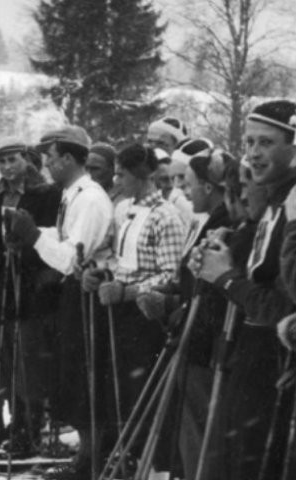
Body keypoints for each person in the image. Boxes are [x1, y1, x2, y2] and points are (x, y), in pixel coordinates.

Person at [190, 100, 296, 480]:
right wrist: (225, 252)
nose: (252, 153)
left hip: (275, 359)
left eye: (266, 143)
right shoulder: (275, 201)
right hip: (254, 356)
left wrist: (226, 279)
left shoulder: (293, 204)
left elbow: (285, 309)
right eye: (249, 142)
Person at [8, 125, 113, 475]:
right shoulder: (71, 193)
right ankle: (87, 452)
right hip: (73, 292)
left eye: (52, 158)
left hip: (87, 292)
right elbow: (65, 237)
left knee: (84, 375)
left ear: (69, 158)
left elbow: (73, 255)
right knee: (71, 374)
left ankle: (92, 457)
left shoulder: (91, 198)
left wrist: (35, 236)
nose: (48, 165)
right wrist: (32, 234)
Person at [83, 144, 186, 473]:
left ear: (142, 175)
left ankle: (145, 459)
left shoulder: (165, 216)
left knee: (139, 388)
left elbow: (171, 275)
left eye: (122, 174)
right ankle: (121, 453)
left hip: (144, 313)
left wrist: (129, 291)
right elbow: (117, 257)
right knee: (116, 386)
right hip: (117, 306)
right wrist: (102, 272)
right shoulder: (124, 208)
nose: (117, 180)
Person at [137, 148, 235, 478]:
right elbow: (189, 282)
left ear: (209, 186)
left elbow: (212, 294)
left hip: (204, 346)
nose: (181, 189)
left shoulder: (224, 223)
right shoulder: (204, 220)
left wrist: (170, 305)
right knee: (187, 432)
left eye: (187, 182)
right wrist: (170, 293)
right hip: (190, 339)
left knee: (199, 433)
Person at [0, 136, 61, 452]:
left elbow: (50, 236)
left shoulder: (46, 193)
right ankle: (14, 420)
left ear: (26, 159)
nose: (8, 167)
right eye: (2, 161)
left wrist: (28, 253)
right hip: (2, 281)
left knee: (30, 357)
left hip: (32, 283)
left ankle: (31, 425)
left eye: (13, 160)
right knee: (7, 354)